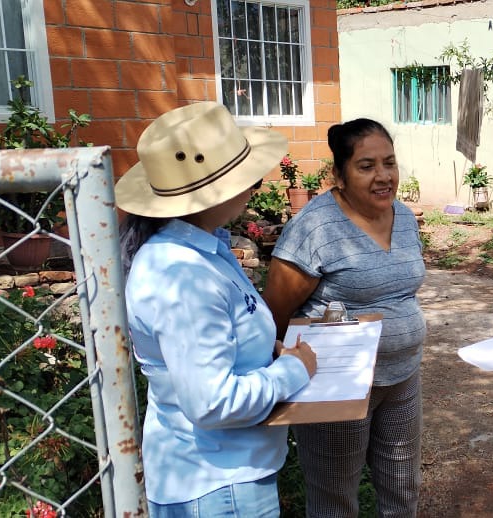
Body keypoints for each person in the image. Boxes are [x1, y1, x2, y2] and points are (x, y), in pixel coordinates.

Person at [116, 101, 318, 516]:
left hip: (224, 476)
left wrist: (268, 351)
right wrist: (294, 370)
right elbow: (213, 402)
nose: (254, 187)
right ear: (217, 193)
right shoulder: (182, 275)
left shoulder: (202, 250)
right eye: (250, 179)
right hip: (217, 486)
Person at [262, 118, 427, 518]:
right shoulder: (315, 227)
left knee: (403, 489)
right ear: (339, 174)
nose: (383, 176)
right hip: (336, 384)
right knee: (335, 498)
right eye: (366, 166)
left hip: (402, 377)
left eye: (389, 163)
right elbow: (275, 313)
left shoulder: (402, 217)